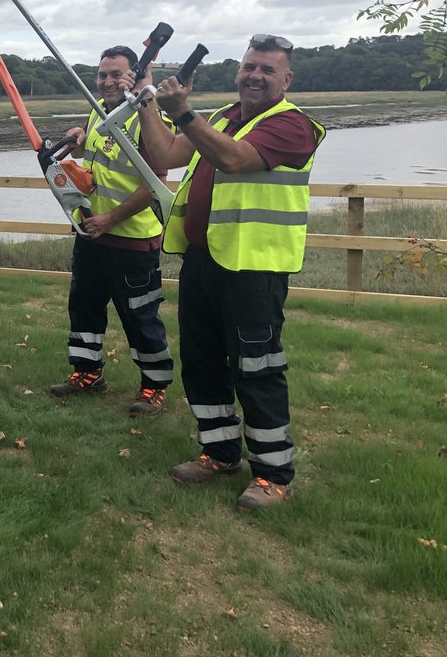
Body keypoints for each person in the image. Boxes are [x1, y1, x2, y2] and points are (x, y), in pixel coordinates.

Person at [136, 33, 325, 511]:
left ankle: (273, 473)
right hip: (204, 260)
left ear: (287, 78)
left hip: (254, 269)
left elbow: (235, 160)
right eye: (249, 67)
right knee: (201, 362)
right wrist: (146, 100)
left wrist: (183, 113)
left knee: (257, 369)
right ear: (237, 71)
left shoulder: (294, 126)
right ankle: (219, 453)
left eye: (267, 69)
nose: (255, 76)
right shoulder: (220, 117)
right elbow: (163, 155)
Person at [48, 46, 175, 416]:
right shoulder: (97, 108)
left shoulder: (147, 119)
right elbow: (100, 154)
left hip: (132, 237)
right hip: (91, 232)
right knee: (84, 304)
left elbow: (155, 183)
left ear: (132, 77)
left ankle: (154, 386)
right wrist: (79, 138)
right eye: (102, 74)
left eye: (116, 74)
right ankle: (87, 372)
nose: (107, 81)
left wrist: (111, 219)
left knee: (140, 313)